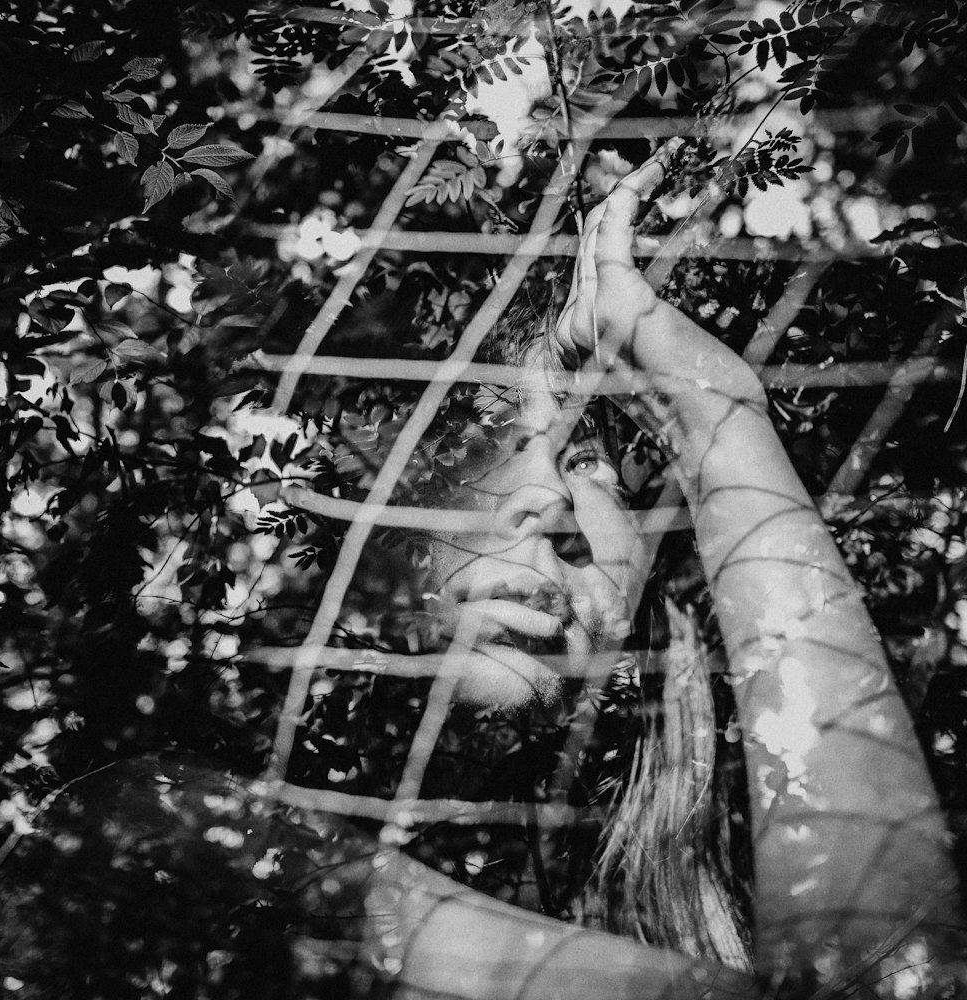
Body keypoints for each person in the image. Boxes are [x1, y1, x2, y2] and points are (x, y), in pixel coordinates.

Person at [363, 141, 966, 999]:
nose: (544, 498)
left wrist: (714, 415)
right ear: (401, 551)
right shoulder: (175, 829)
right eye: (491, 446)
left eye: (587, 456)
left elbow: (899, 973)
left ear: (652, 561)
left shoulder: (724, 836)